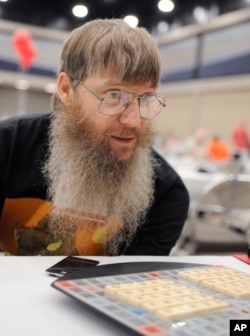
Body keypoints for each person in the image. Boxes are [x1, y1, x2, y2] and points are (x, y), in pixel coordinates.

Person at [0, 19, 189, 256]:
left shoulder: (166, 193)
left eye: (146, 98)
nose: (134, 120)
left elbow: (130, 287)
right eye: (113, 95)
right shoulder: (7, 147)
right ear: (67, 90)